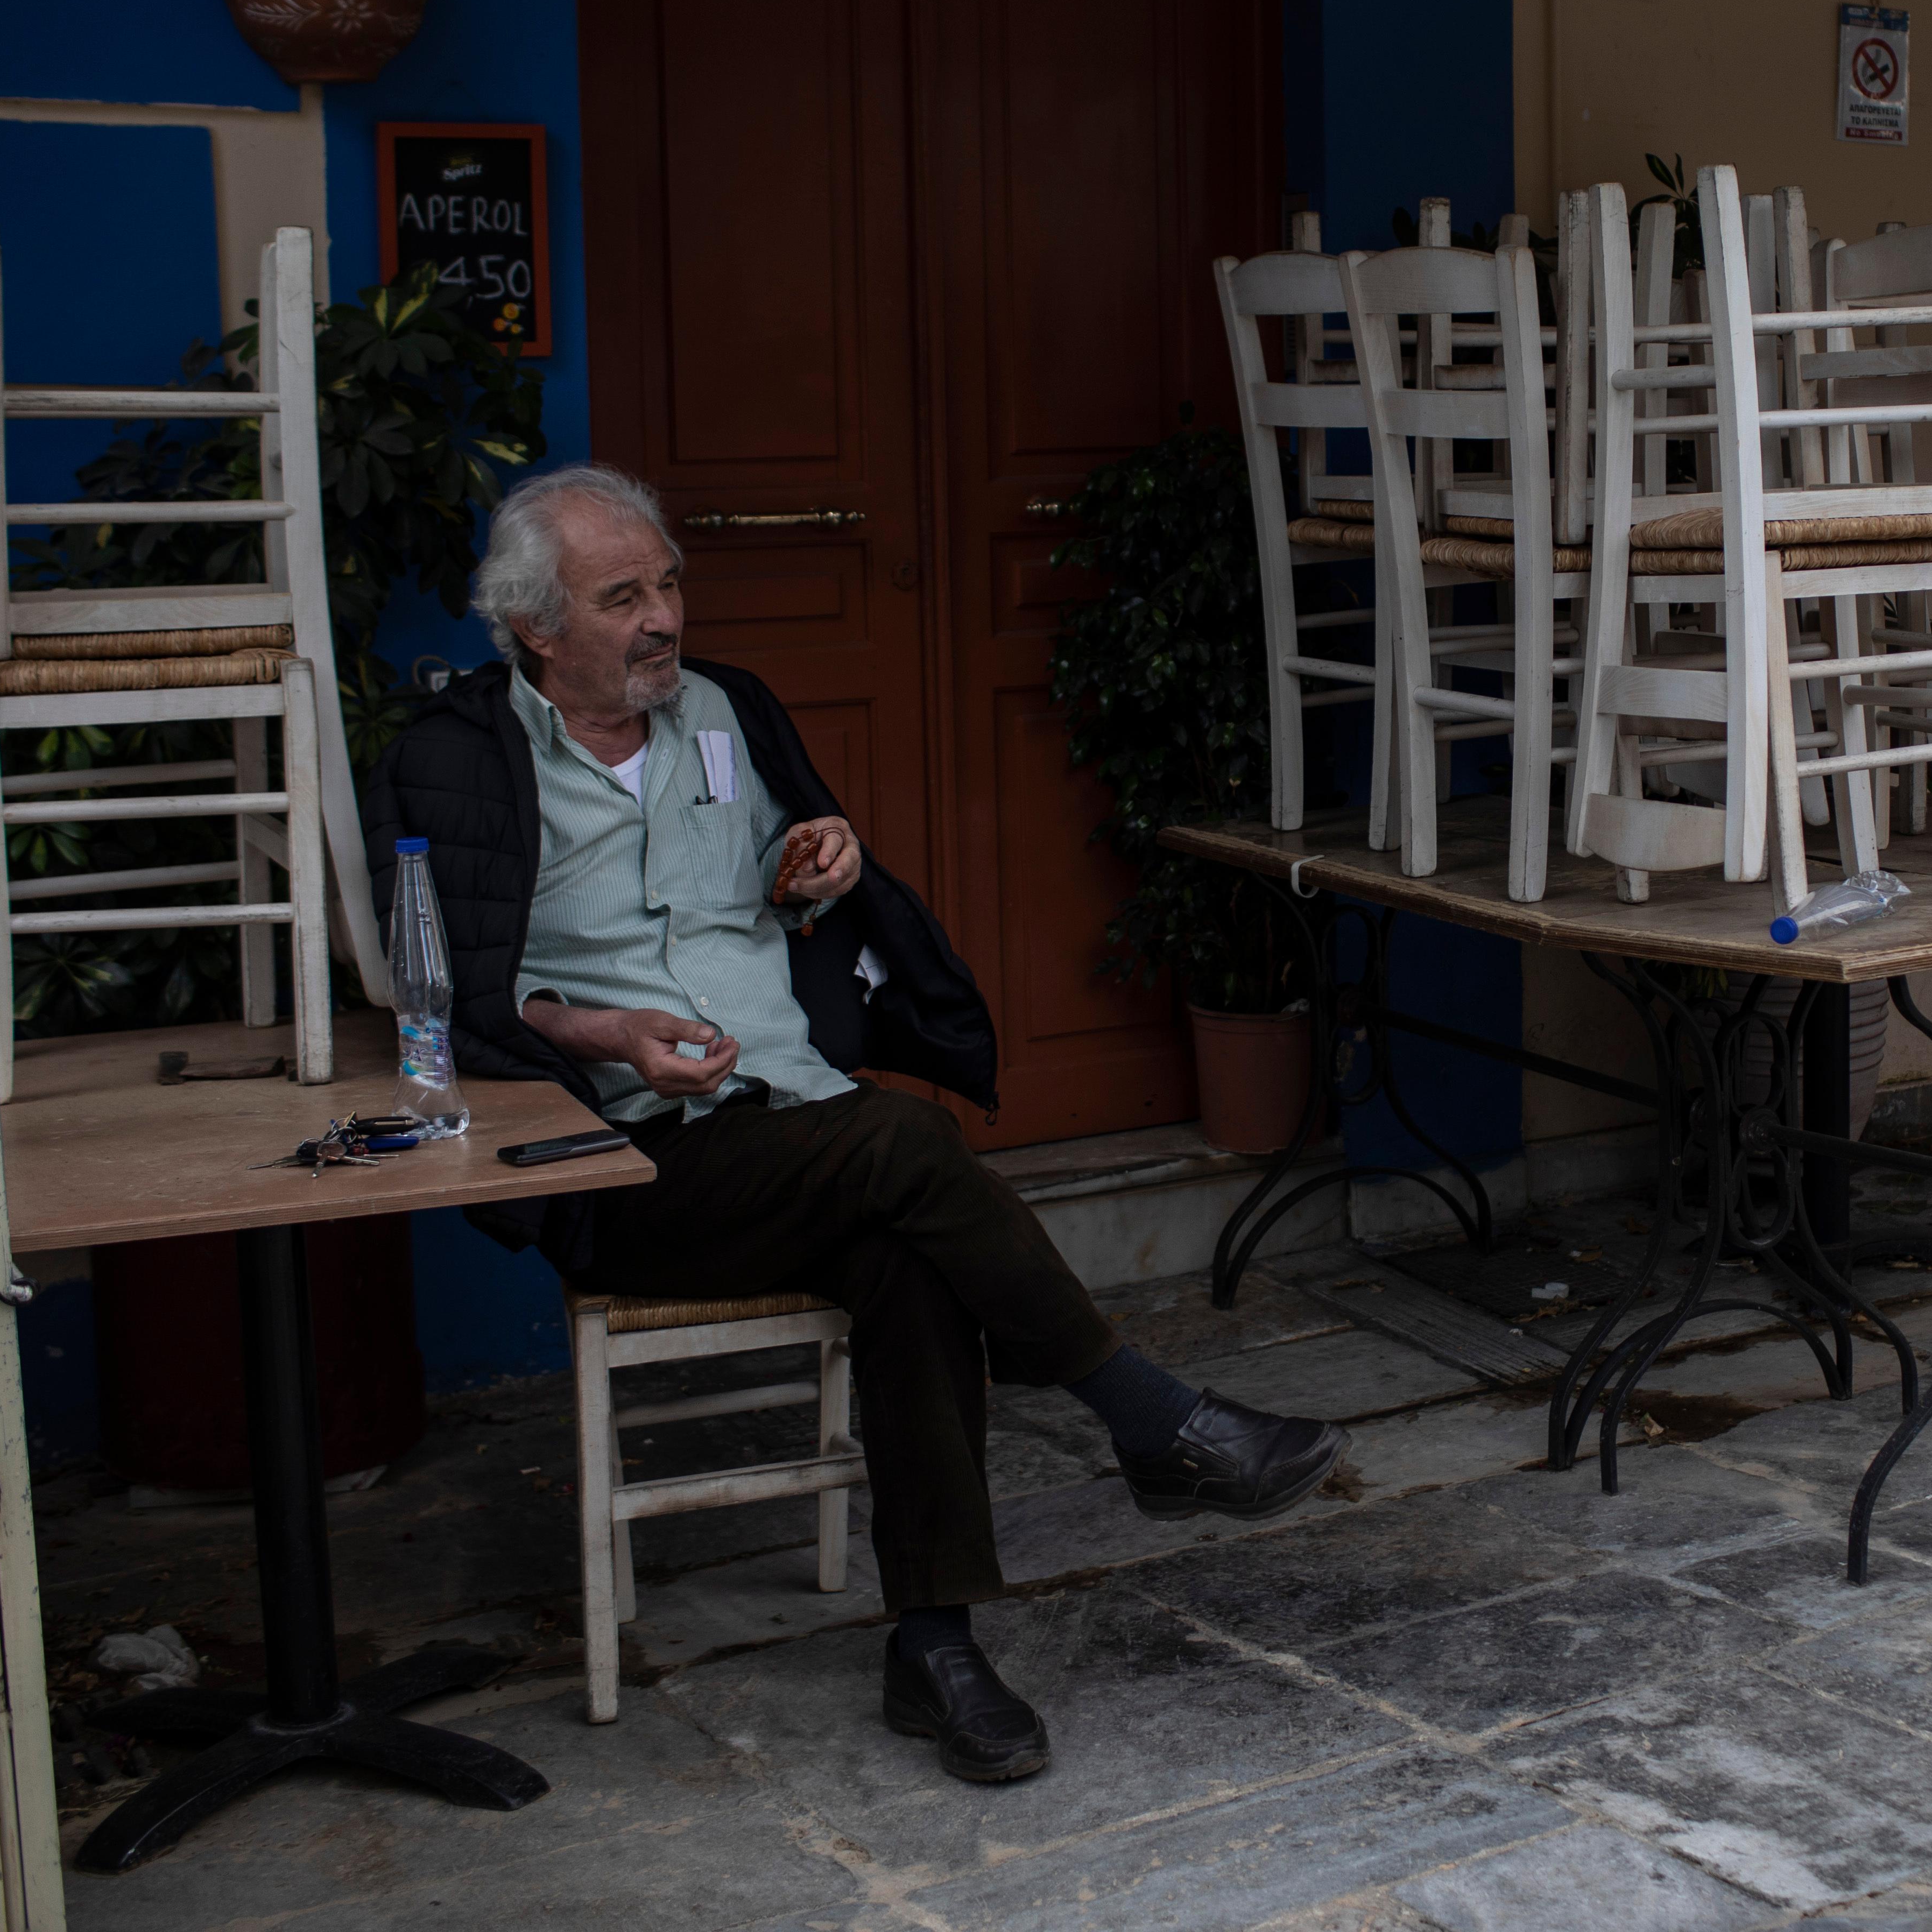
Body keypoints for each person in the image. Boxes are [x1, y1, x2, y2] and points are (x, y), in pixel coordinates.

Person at [365, 463, 1344, 1785]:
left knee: (909, 1249)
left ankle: (935, 1645)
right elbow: (444, 994)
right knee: (908, 1143)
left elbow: (800, 894)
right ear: (537, 625)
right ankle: (1143, 1411)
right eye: (623, 597)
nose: (663, 618)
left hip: (795, 1120)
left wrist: (815, 874)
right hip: (631, 1155)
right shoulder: (454, 759)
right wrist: (602, 1030)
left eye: (669, 584)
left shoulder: (726, 711)